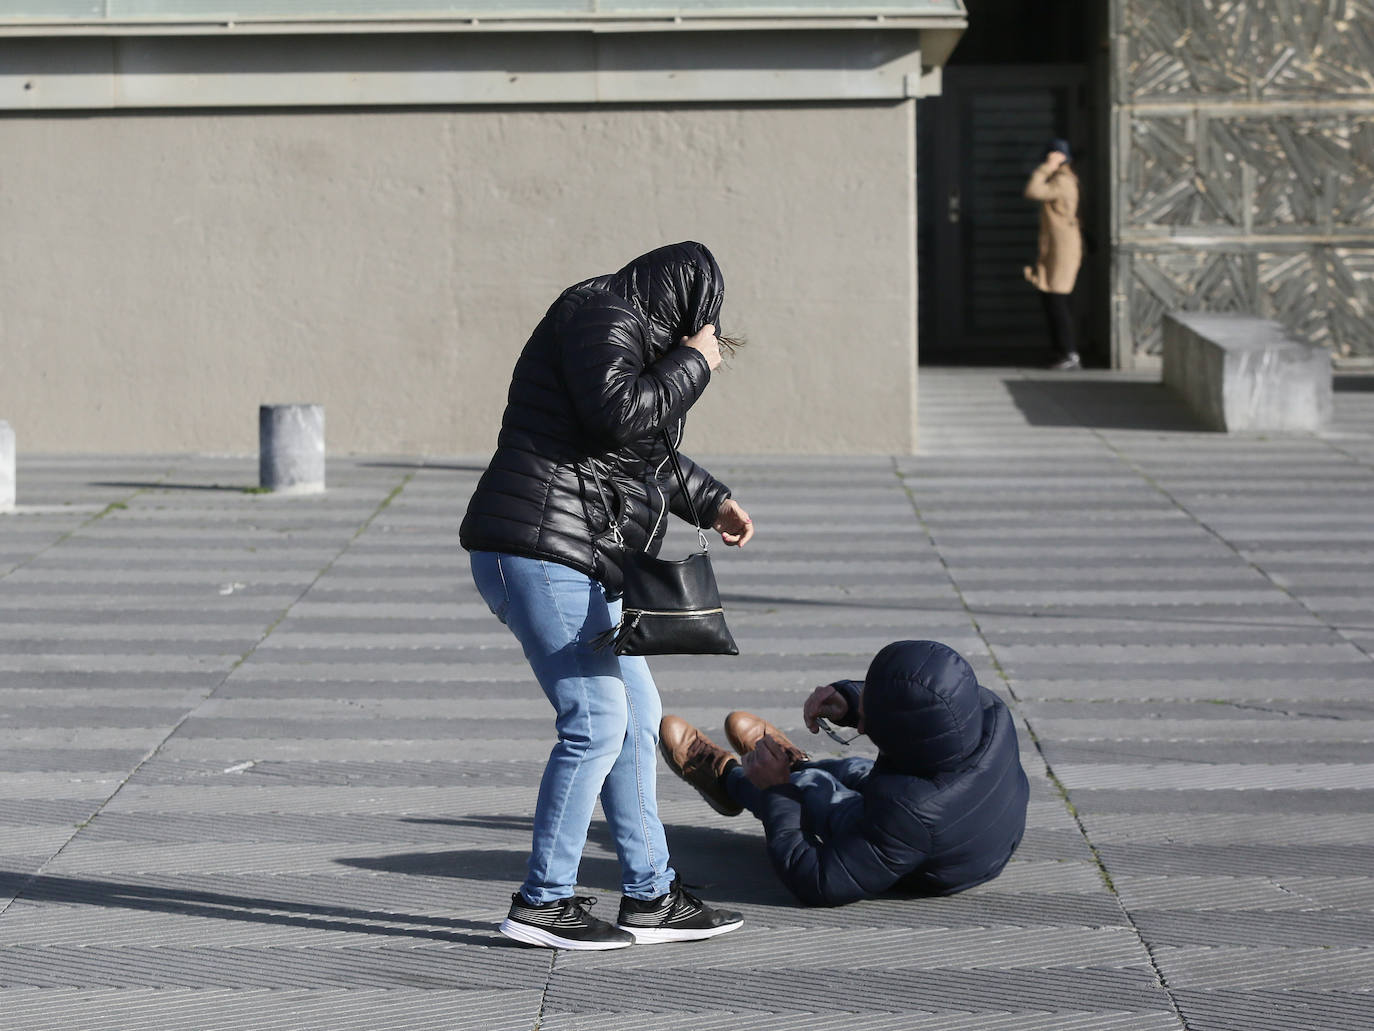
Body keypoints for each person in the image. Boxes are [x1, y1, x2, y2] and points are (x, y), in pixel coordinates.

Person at [460, 241, 752, 950]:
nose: (701, 346)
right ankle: (544, 901)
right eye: (701, 331)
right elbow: (620, 414)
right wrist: (695, 363)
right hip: (539, 549)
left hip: (577, 553)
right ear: (684, 308)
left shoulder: (618, 325)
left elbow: (639, 447)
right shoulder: (601, 314)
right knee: (595, 719)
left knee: (638, 714)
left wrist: (711, 501)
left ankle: (651, 894)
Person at [659, 640, 1029, 907]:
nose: (862, 727)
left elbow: (818, 881)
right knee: (854, 769)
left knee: (816, 796)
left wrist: (777, 791)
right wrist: (852, 700)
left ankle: (730, 779)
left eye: (866, 721)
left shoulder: (909, 813)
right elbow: (921, 698)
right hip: (971, 826)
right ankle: (794, 765)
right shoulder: (987, 709)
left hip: (932, 863)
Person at [1023, 138, 1084, 370]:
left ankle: (1069, 353)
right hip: (1058, 248)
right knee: (1053, 300)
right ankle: (1062, 351)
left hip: (1063, 250)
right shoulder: (1063, 179)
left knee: (1057, 300)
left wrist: (1048, 166)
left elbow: (1032, 190)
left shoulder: (1063, 181)